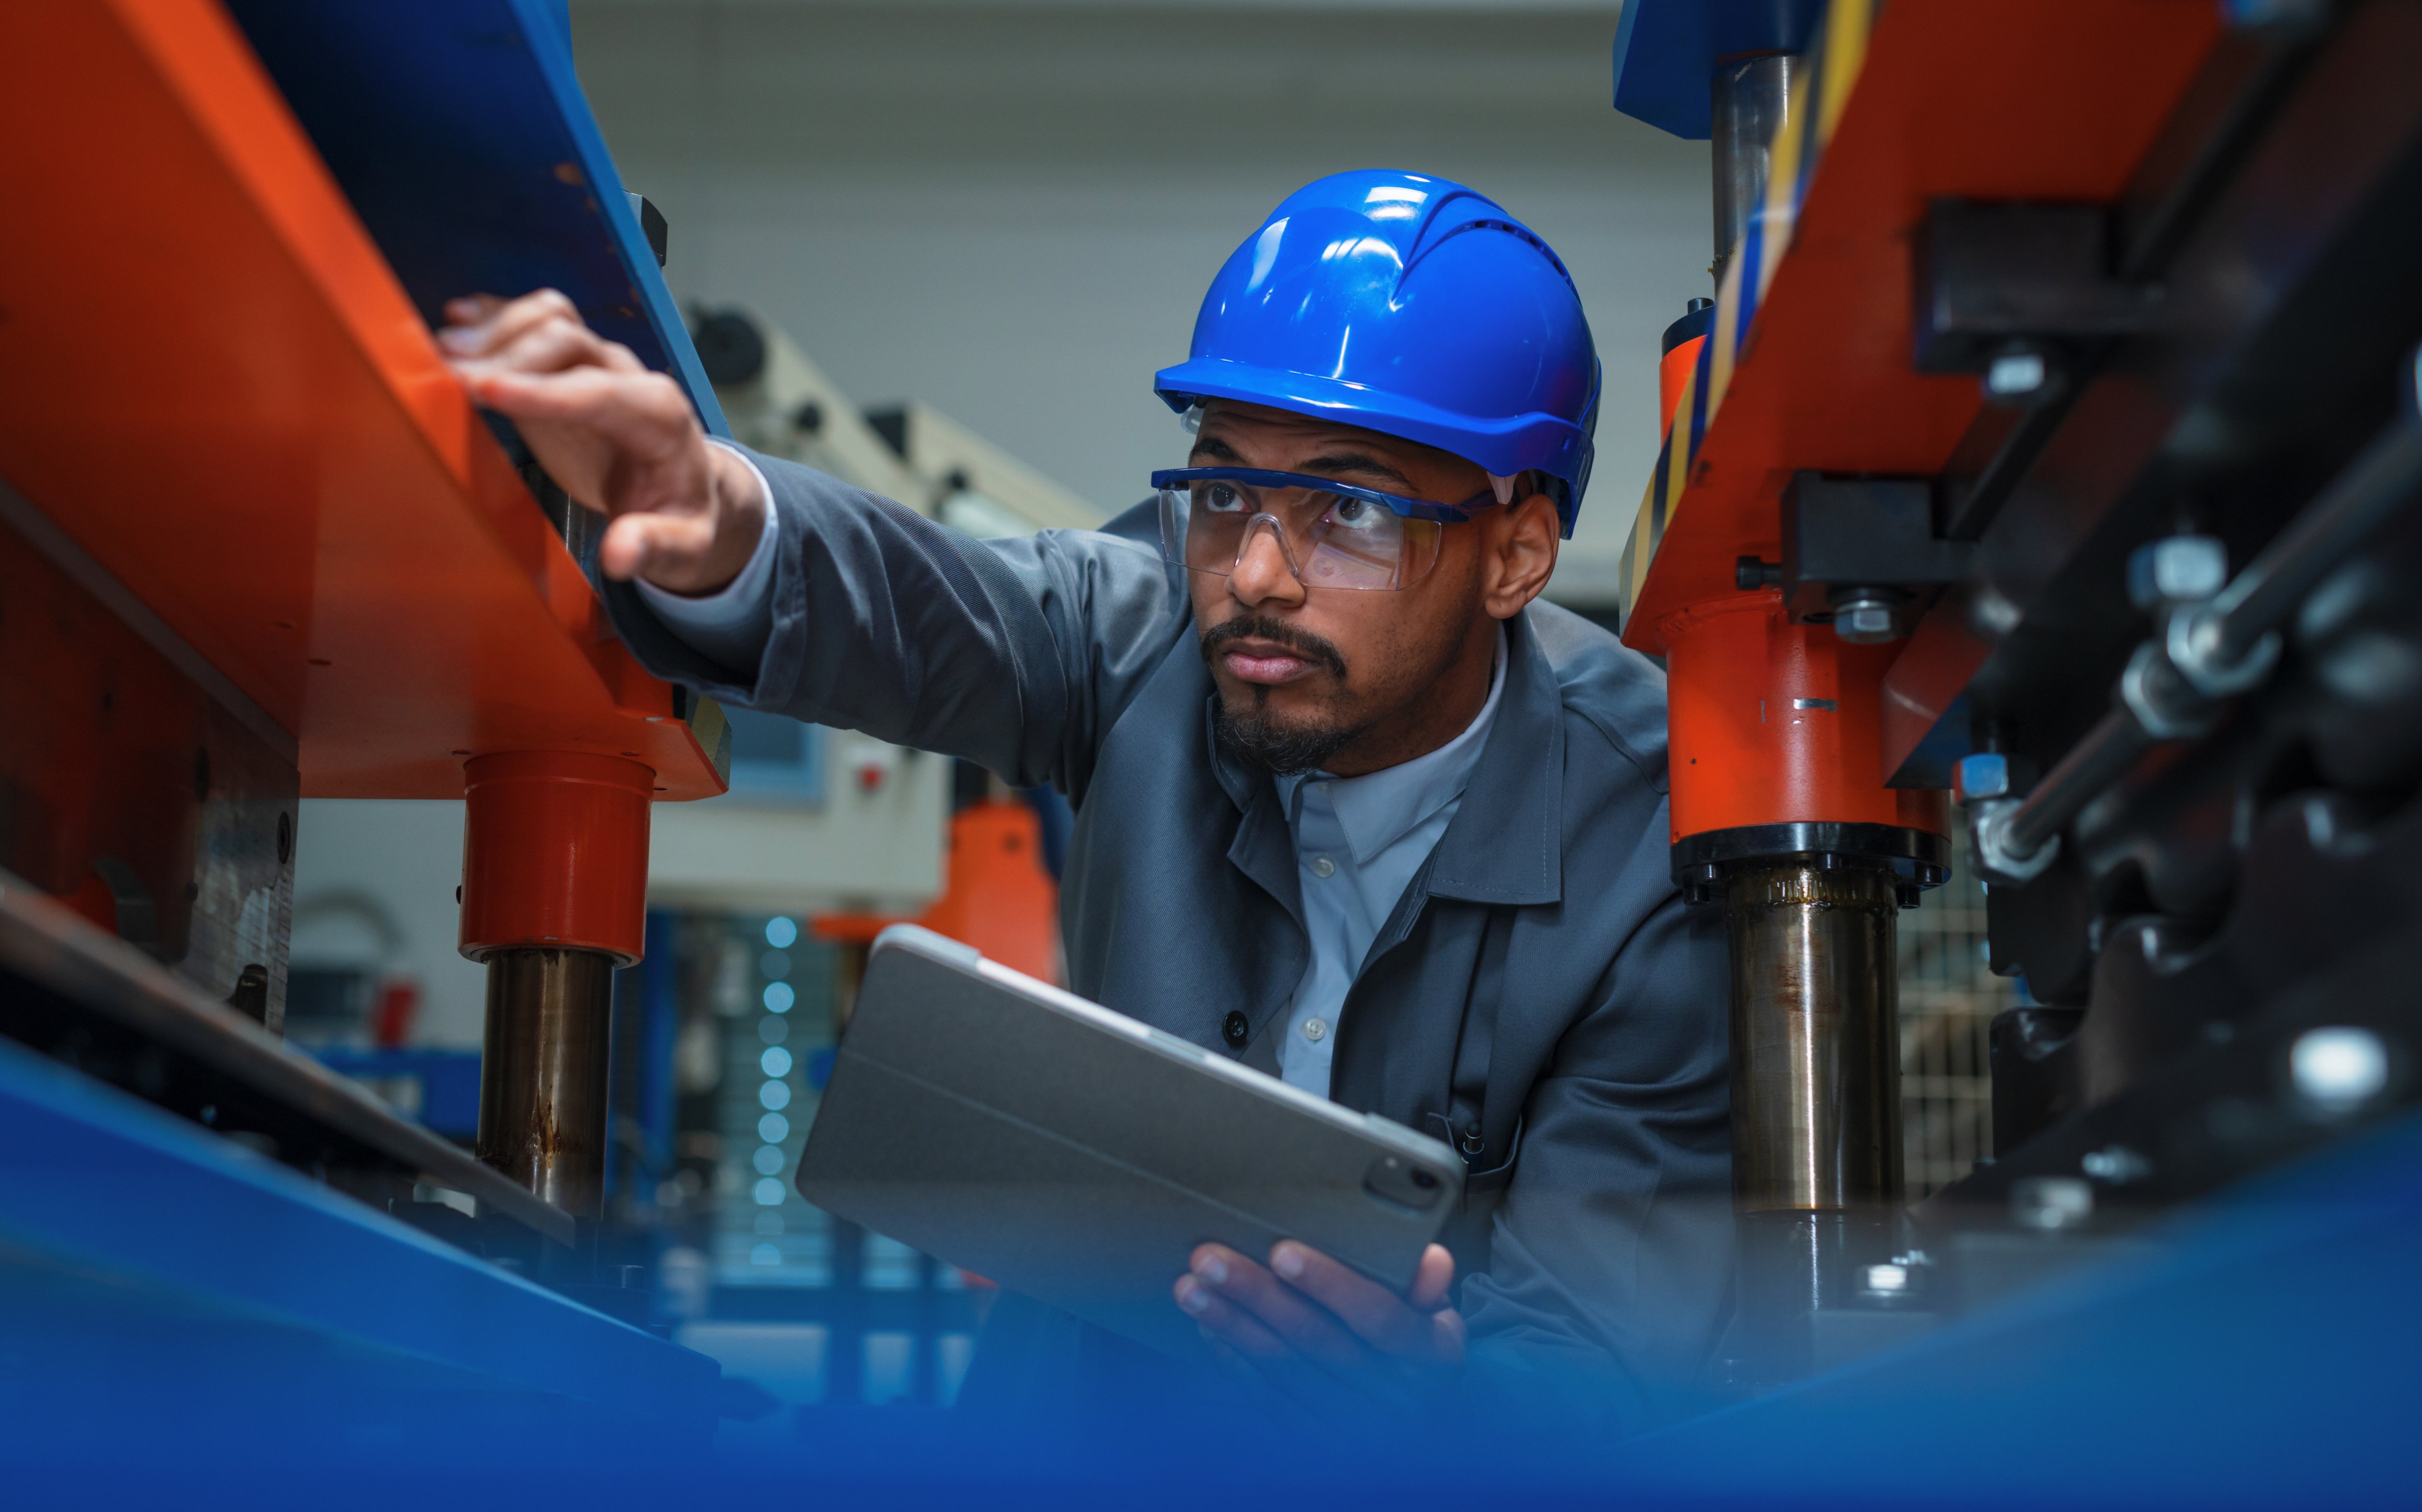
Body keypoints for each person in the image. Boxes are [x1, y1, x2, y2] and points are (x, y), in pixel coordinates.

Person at [442, 170, 1730, 1432]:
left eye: (1349, 509)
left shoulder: (1652, 843)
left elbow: (1602, 1358)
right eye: (1224, 489)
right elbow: (936, 608)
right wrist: (721, 512)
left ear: (1515, 552)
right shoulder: (1152, 635)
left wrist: (1435, 1401)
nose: (1256, 576)